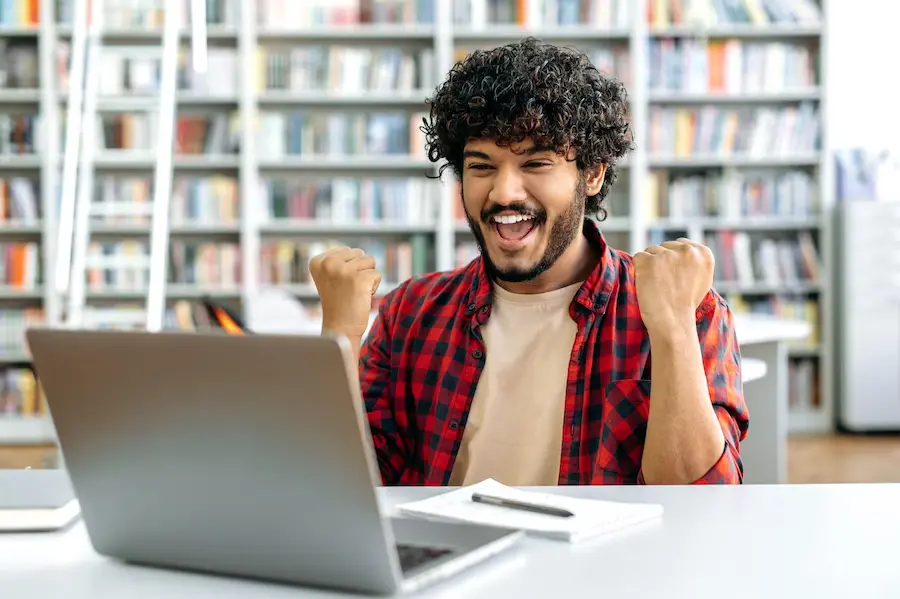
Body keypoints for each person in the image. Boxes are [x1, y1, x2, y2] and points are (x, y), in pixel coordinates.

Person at [309, 38, 749, 486]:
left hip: (606, 560)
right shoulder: (411, 313)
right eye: (481, 167)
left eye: (536, 163)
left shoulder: (685, 306)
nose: (503, 193)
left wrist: (673, 328)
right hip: (452, 556)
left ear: (592, 173)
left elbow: (701, 503)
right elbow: (340, 491)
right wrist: (339, 341)